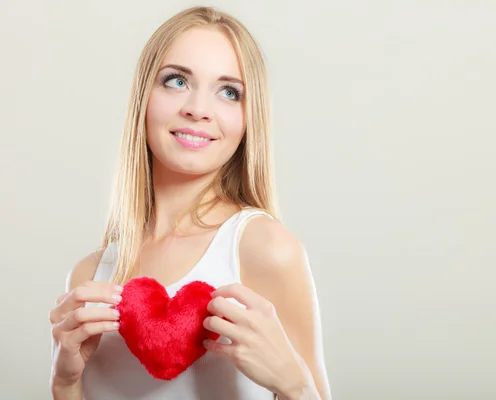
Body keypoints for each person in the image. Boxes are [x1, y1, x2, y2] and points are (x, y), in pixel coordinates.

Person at [48, 6, 331, 400]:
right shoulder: (89, 276)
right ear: (144, 95)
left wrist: (295, 386)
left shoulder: (265, 249)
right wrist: (64, 384)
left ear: (249, 119)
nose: (198, 109)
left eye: (229, 92)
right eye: (177, 81)